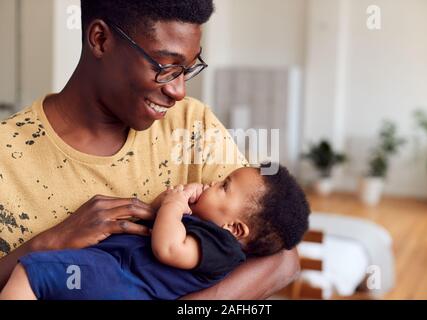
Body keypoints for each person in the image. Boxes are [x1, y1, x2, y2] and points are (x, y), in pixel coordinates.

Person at [0, 0, 299, 298]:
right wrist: (47, 243)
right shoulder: (7, 154)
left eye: (188, 69)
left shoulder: (191, 127)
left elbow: (281, 257)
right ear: (100, 39)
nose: (178, 91)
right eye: (166, 67)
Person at [0, 164, 310, 300]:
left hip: (119, 279)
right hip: (111, 275)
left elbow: (169, 248)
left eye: (224, 186)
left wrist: (174, 205)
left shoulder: (223, 249)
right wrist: (169, 203)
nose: (213, 183)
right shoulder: (207, 229)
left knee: (33, 270)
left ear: (235, 228)